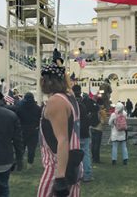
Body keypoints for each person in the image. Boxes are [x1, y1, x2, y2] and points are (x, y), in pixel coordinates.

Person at [37, 62, 82, 197]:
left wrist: (60, 177)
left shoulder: (56, 101)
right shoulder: (70, 97)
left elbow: (62, 140)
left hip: (57, 166)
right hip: (72, 163)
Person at [72, 84, 93, 182]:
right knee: (85, 154)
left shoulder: (71, 105)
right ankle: (87, 175)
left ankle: (75, 175)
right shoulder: (85, 104)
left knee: (73, 155)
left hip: (74, 132)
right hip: (84, 132)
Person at [15, 92, 41, 169]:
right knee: (31, 149)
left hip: (22, 129)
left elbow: (17, 117)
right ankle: (30, 164)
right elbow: (39, 119)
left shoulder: (19, 106)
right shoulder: (37, 108)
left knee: (21, 148)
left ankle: (19, 164)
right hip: (33, 130)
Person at [90, 99, 106, 164]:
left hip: (92, 128)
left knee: (93, 144)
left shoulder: (93, 109)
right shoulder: (102, 111)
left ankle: (93, 157)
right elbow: (103, 122)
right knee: (97, 144)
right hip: (98, 129)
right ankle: (97, 159)